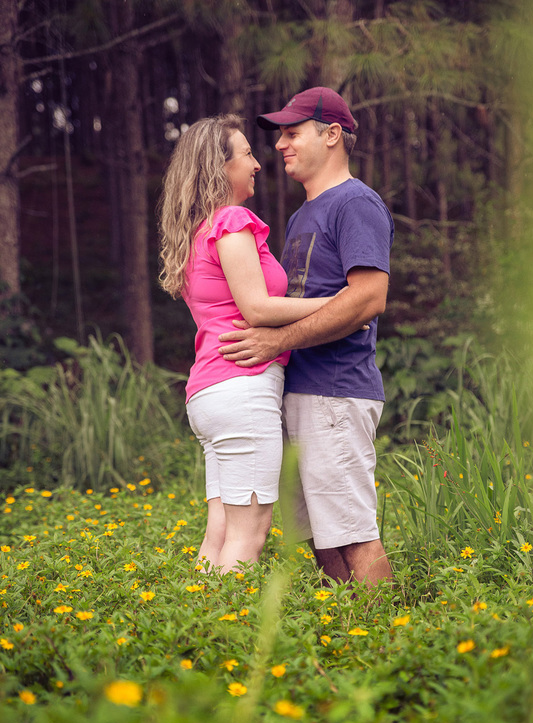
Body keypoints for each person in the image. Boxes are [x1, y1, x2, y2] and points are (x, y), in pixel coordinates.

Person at [216, 87, 394, 586]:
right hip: (300, 391)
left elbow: (368, 298)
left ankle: (396, 647)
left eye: (292, 133)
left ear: (332, 135)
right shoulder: (300, 216)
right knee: (319, 537)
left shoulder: (355, 203)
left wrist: (276, 342)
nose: (279, 145)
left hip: (336, 390)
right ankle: (350, 641)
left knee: (353, 533)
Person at [158, 115, 335, 574]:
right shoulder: (232, 221)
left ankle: (190, 621)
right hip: (243, 389)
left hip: (210, 394)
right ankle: (222, 638)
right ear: (220, 169)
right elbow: (257, 308)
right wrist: (338, 305)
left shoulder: (199, 230)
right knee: (248, 534)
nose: (258, 164)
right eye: (247, 155)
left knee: (219, 530)